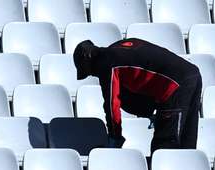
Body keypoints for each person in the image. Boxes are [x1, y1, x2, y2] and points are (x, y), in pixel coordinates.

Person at [73, 38, 202, 153]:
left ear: (88, 57)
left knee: (165, 149)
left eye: (88, 71)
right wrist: (149, 112)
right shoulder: (118, 48)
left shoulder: (106, 64)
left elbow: (112, 104)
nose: (93, 75)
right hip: (192, 74)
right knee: (187, 144)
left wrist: (114, 137)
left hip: (175, 84)